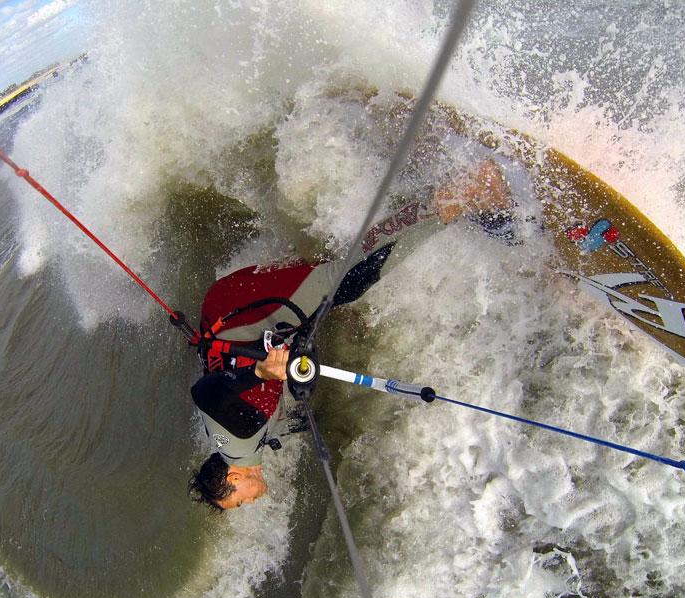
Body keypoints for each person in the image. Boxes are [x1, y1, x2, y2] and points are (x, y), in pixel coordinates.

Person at [188, 159, 517, 510]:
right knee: (334, 273)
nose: (248, 502)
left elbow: (206, 393)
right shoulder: (238, 443)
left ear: (233, 479)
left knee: (350, 279)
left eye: (238, 502)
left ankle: (465, 191)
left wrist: (260, 372)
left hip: (243, 312)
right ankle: (430, 198)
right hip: (225, 308)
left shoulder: (236, 444)